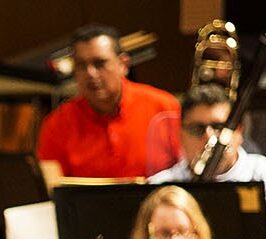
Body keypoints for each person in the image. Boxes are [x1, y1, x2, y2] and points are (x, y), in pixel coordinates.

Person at [35, 23, 181, 179]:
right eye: (81, 65)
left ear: (123, 64)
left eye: (100, 63)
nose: (90, 73)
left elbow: (186, 171)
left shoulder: (164, 107)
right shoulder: (56, 124)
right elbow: (54, 189)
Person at [148, 84, 266, 219]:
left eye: (219, 127)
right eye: (198, 129)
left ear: (238, 132)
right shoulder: (159, 189)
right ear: (180, 135)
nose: (209, 137)